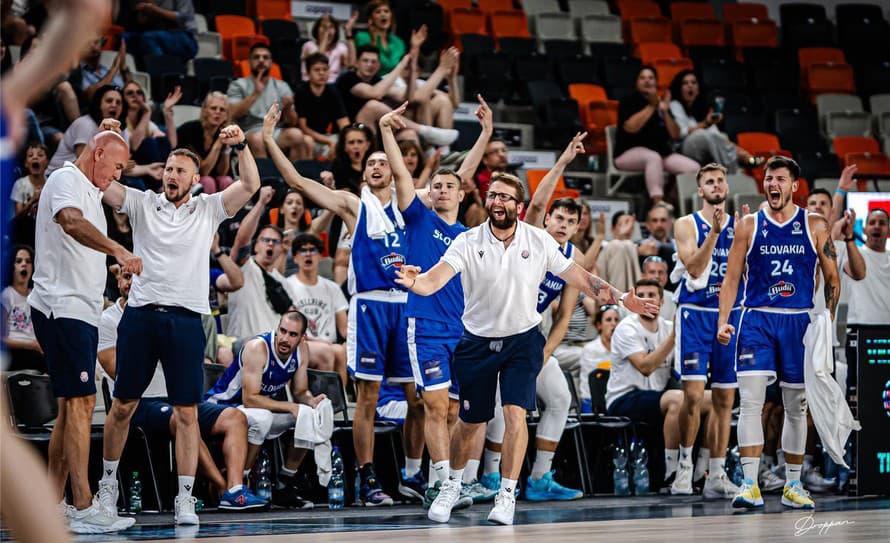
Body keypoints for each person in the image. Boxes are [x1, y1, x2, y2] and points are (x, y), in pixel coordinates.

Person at [395, 173, 659, 525]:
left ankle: (507, 495)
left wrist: (624, 298)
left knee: (515, 414)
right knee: (470, 421)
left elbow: (583, 279)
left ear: (519, 207)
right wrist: (415, 281)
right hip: (477, 341)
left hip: (523, 339)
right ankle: (451, 485)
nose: (497, 203)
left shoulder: (539, 241)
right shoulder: (466, 240)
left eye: (505, 197)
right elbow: (434, 280)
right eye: (492, 196)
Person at [98, 127, 260, 527]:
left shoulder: (208, 208)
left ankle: (185, 499)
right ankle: (106, 491)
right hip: (140, 316)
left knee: (188, 413)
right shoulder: (141, 202)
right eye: (168, 169)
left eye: (180, 171)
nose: (171, 176)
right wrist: (103, 141)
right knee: (121, 407)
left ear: (194, 179)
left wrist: (239, 145)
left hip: (187, 319)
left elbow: (251, 183)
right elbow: (101, 181)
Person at [261, 102, 418, 507]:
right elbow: (295, 179)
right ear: (364, 173)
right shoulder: (354, 204)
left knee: (418, 396)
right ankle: (368, 478)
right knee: (366, 397)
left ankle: (416, 474)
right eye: (372, 163)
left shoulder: (410, 207)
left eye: (385, 160)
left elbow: (458, 179)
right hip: (368, 306)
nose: (378, 166)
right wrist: (267, 139)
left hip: (406, 305)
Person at [377, 96, 491, 518]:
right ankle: (441, 482)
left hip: (461, 330)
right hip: (423, 325)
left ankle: (444, 478)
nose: (442, 189)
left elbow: (464, 171)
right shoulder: (418, 219)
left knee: (458, 410)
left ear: (461, 193)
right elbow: (402, 175)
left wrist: (486, 134)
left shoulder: (468, 234)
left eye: (450, 186)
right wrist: (387, 131)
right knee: (435, 405)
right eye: (436, 185)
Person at [29, 129, 141, 534]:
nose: (116, 175)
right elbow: (70, 222)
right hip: (63, 308)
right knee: (82, 402)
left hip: (81, 311)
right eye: (114, 167)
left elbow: (90, 215)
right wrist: (118, 249)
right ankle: (83, 505)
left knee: (70, 408)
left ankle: (53, 501)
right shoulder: (65, 179)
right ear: (96, 155)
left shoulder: (92, 190)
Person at [717, 156, 840, 510]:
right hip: (756, 319)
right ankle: (749, 483)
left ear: (793, 186)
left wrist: (827, 322)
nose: (773, 184)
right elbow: (731, 278)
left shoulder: (814, 223)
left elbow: (833, 279)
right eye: (769, 179)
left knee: (796, 406)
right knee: (752, 402)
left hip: (799, 320)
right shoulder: (749, 226)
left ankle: (793, 484)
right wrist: (724, 319)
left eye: (780, 179)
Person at [97, 266, 267, 511]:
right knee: (183, 417)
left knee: (235, 417)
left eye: (138, 278)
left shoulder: (173, 317)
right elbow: (121, 373)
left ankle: (235, 488)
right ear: (118, 280)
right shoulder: (109, 319)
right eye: (126, 277)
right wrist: (152, 343)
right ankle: (220, 486)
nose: (132, 283)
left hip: (176, 396)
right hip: (141, 402)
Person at [205, 311, 331, 510]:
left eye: (292, 335)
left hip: (255, 410)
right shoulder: (258, 348)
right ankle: (240, 481)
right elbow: (250, 399)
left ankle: (284, 484)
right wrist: (291, 406)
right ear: (277, 328)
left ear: (302, 338)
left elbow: (300, 390)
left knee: (308, 417)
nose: (284, 338)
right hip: (223, 407)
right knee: (263, 418)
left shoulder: (302, 351)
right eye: (282, 331)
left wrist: (312, 401)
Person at [671, 163, 741, 499]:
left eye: (720, 180)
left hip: (728, 314)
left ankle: (716, 473)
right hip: (696, 314)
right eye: (709, 181)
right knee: (695, 396)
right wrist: (713, 233)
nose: (716, 185)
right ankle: (684, 468)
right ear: (700, 190)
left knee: (726, 398)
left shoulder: (742, 224)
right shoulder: (686, 224)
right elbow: (696, 267)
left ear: (726, 188)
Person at [606, 278, 689, 489]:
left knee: (707, 399)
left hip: (657, 396)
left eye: (651, 295)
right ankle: (671, 475)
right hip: (624, 398)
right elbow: (645, 366)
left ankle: (702, 471)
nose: (646, 300)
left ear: (661, 301)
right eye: (640, 296)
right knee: (677, 400)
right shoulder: (627, 328)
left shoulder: (668, 327)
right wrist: (673, 338)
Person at [335, 44, 457, 146]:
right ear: (356, 63)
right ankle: (424, 131)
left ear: (378, 65)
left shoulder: (378, 81)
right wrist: (402, 64)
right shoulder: (347, 78)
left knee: (410, 135)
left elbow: (415, 97)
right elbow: (375, 92)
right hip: (353, 131)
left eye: (374, 61)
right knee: (372, 106)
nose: (370, 64)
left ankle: (435, 158)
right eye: (365, 61)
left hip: (379, 133)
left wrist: (442, 70)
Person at [614, 66, 699, 204]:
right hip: (627, 154)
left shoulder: (663, 105)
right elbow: (631, 128)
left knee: (693, 168)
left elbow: (675, 134)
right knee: (652, 158)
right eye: (643, 78)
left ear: (656, 82)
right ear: (637, 82)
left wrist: (665, 112)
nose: (647, 81)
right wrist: (651, 106)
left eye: (651, 78)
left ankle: (671, 200)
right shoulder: (628, 101)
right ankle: (658, 204)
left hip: (661, 154)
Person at [227, 43, 312, 160]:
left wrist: (288, 108)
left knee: (296, 135)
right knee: (257, 139)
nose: (261, 60)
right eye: (256, 57)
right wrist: (255, 94)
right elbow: (232, 113)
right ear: (249, 61)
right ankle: (265, 178)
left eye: (265, 57)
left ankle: (292, 178)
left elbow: (292, 122)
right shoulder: (237, 84)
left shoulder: (281, 86)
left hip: (275, 131)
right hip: (248, 130)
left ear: (271, 62)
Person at [285, 233, 348, 385]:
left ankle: (339, 400)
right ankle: (325, 399)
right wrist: (318, 341)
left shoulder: (332, 288)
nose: (308, 254)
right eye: (302, 250)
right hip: (301, 342)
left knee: (341, 350)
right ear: (295, 258)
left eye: (312, 250)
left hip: (329, 343)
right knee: (331, 350)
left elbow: (344, 328)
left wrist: (351, 341)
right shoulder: (287, 285)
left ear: (320, 256)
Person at [668, 70, 761, 173]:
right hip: (682, 148)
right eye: (685, 83)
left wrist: (740, 151)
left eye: (693, 83)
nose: (690, 86)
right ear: (679, 88)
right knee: (706, 135)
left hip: (706, 145)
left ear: (698, 88)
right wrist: (706, 124)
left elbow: (717, 135)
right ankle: (732, 170)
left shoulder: (702, 109)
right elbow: (680, 134)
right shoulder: (674, 105)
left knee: (721, 136)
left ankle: (746, 157)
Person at [123, 80, 180, 189]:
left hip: (151, 166)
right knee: (148, 143)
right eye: (130, 93)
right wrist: (147, 113)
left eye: (139, 92)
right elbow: (134, 145)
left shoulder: (147, 123)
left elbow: (171, 144)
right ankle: (165, 184)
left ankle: (168, 180)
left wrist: (167, 112)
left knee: (161, 141)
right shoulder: (121, 121)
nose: (135, 95)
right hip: (132, 165)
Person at [176, 91, 235, 194]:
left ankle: (225, 210)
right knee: (208, 181)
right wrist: (218, 144)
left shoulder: (225, 132)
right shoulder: (188, 130)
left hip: (212, 178)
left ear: (226, 115)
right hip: (189, 178)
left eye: (222, 110)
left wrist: (226, 149)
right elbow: (203, 171)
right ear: (204, 111)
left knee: (226, 180)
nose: (218, 112)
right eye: (213, 108)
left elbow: (223, 172)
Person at [296, 53, 350, 159]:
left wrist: (345, 138)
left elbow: (344, 123)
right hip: (309, 135)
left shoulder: (333, 91)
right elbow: (303, 127)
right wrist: (329, 142)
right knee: (307, 141)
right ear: (308, 73)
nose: (321, 73)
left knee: (346, 142)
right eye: (317, 70)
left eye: (325, 69)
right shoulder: (301, 92)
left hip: (328, 135)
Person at [2, 245, 44, 372]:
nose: (24, 264)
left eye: (28, 261)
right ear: (12, 266)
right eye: (19, 261)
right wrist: (30, 345)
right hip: (14, 351)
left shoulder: (36, 298)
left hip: (35, 351)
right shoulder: (7, 295)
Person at [119, 0, 198, 60]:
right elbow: (141, 21)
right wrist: (145, 10)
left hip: (184, 37)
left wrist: (155, 9)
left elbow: (182, 18)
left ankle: (160, 71)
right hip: (160, 35)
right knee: (125, 38)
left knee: (149, 37)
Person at [579, 305, 621, 412]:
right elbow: (588, 384)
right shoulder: (590, 349)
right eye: (608, 320)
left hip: (616, 399)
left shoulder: (623, 349)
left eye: (616, 320)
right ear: (599, 325)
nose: (613, 324)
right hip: (592, 401)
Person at [8, 141, 48, 247]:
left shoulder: (50, 184)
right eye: (31, 155)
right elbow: (18, 216)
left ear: (47, 162)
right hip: (24, 231)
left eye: (40, 155)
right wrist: (33, 200)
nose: (35, 158)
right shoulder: (20, 184)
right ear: (26, 163)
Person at [300, 12, 357, 82]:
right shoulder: (308, 45)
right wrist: (325, 36)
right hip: (312, 85)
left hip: (334, 86)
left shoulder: (340, 47)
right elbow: (318, 62)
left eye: (331, 27)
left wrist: (348, 32)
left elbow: (351, 64)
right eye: (324, 27)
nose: (327, 30)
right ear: (316, 30)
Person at [642, 255, 676, 321]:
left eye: (661, 272)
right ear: (643, 276)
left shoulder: (673, 298)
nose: (657, 276)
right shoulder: (633, 296)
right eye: (652, 272)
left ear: (666, 277)